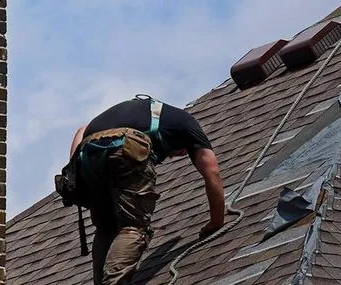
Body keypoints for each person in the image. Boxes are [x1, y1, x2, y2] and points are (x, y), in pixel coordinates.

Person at [67, 95, 226, 285]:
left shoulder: (140, 112)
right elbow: (212, 172)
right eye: (180, 153)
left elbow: (82, 130)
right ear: (185, 146)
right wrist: (216, 222)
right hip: (125, 143)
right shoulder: (187, 123)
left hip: (88, 154)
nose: (173, 156)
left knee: (106, 227)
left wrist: (73, 171)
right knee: (134, 226)